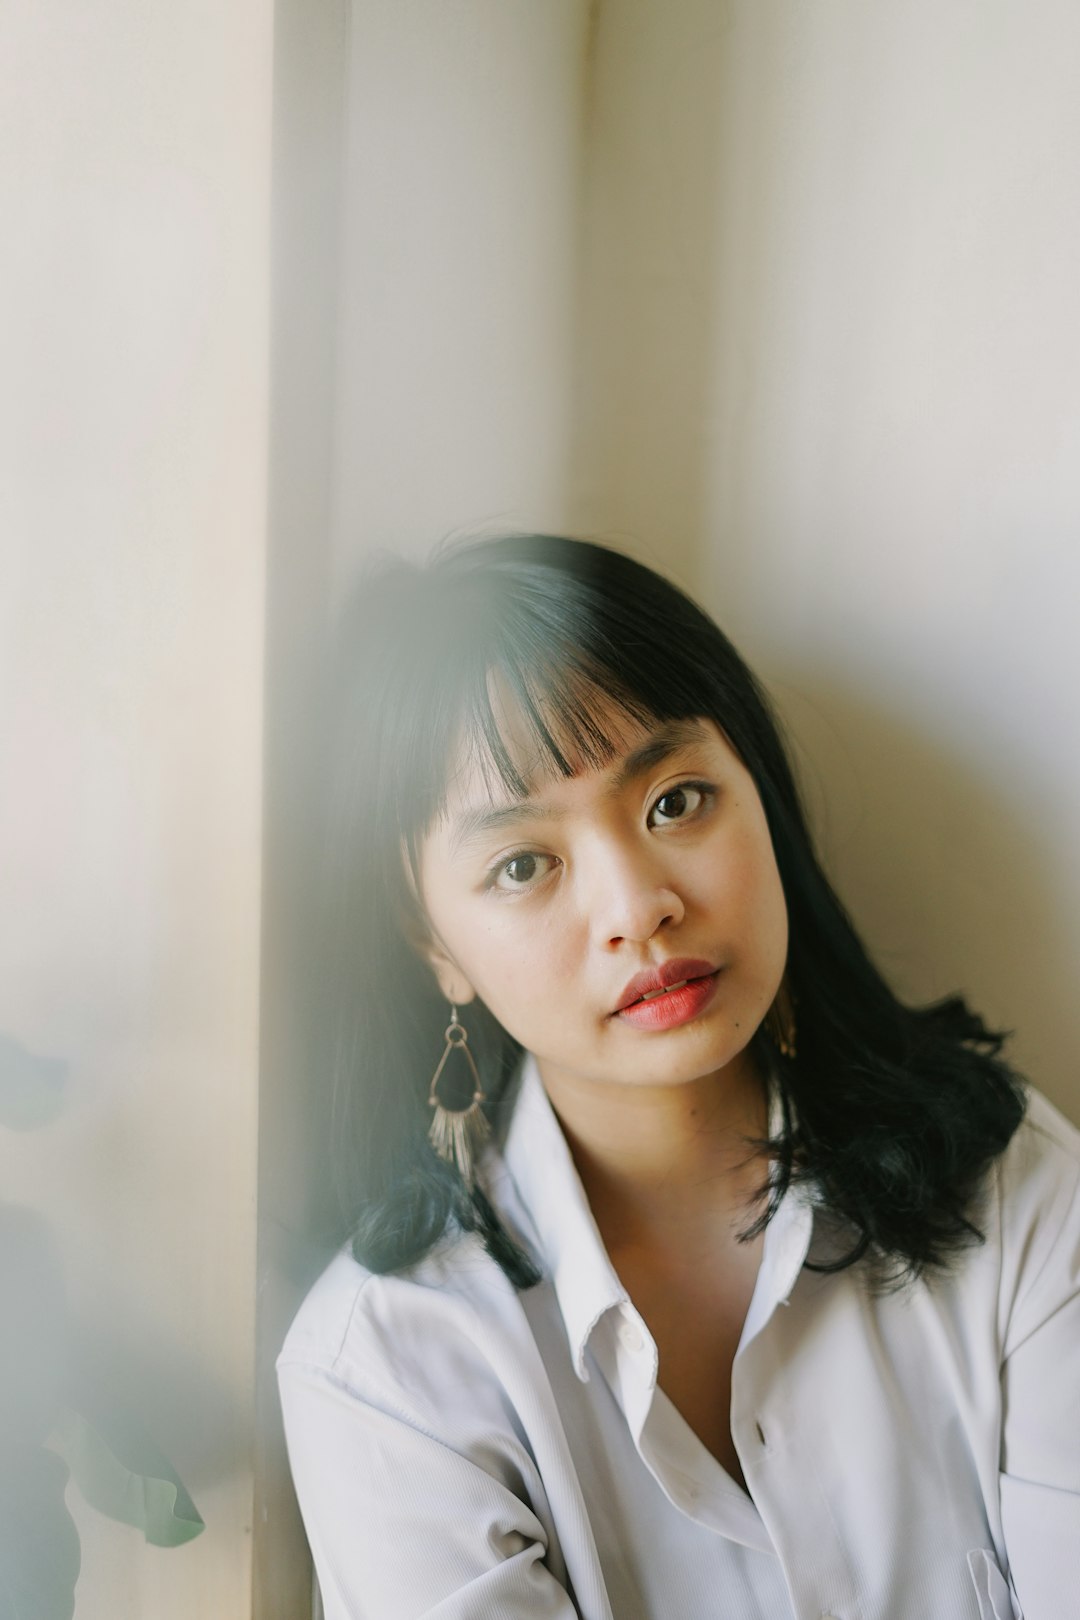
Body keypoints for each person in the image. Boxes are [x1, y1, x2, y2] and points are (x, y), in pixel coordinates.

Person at [276, 533, 1079, 1620]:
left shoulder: (1014, 1188)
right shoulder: (386, 1374)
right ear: (436, 949)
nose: (638, 905)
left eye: (675, 802)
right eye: (524, 866)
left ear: (762, 798)